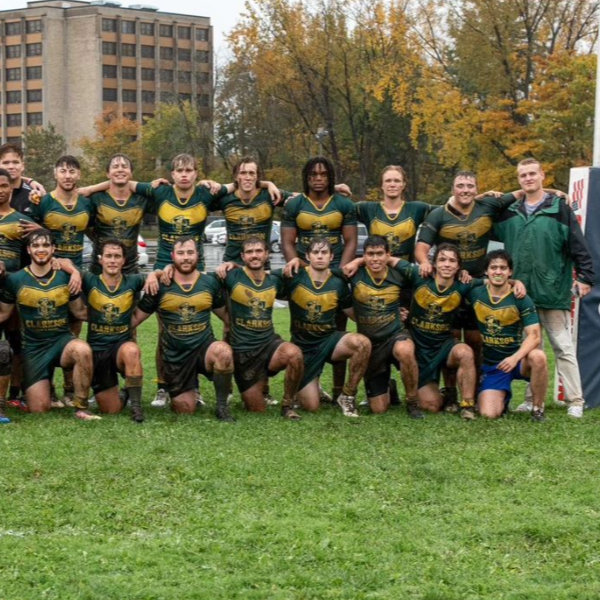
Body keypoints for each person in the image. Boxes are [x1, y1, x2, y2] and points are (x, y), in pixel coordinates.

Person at [493, 158, 595, 418]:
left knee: (562, 347)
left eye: (532, 174)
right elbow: (481, 210)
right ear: (518, 180)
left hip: (551, 291)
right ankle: (530, 399)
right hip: (520, 294)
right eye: (522, 175)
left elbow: (577, 245)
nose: (527, 178)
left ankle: (575, 400)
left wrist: (585, 277)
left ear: (542, 175)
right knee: (531, 349)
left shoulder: (559, 208)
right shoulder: (509, 212)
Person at [133, 236, 235, 422]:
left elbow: (227, 318)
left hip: (204, 349)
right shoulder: (160, 285)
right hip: (176, 356)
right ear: (173, 256)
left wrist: (234, 266)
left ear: (198, 254)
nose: (186, 257)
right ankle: (186, 392)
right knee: (184, 409)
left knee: (223, 352)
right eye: (180, 253)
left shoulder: (210, 282)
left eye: (190, 252)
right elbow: (135, 319)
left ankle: (222, 407)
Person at [0, 230, 99, 420]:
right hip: (33, 348)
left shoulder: (65, 277)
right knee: (39, 409)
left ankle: (81, 407)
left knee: (82, 350)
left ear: (53, 249)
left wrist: (118, 318)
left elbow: (79, 312)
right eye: (36, 246)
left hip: (61, 342)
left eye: (45, 245)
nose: (41, 250)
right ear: (28, 250)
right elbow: (3, 313)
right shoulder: (15, 280)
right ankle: (45, 390)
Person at [281, 156, 358, 402]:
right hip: (306, 272)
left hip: (334, 273)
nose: (318, 178)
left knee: (338, 328)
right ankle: (305, 380)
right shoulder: (295, 205)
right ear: (306, 177)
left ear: (330, 177)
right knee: (305, 326)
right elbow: (287, 241)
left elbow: (351, 241)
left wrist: (341, 270)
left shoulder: (343, 204)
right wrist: (298, 266)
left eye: (323, 174)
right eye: (313, 174)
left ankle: (338, 391)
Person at [282, 237, 371, 417]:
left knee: (362, 343)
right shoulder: (294, 276)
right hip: (303, 347)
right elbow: (262, 280)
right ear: (307, 256)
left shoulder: (338, 282)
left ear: (331, 257)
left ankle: (347, 396)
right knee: (312, 406)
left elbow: (353, 314)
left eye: (324, 253)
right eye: (315, 252)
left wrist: (383, 312)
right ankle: (309, 387)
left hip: (329, 341)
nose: (320, 256)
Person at [220, 237, 304, 420]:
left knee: (294, 354)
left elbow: (312, 271)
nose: (254, 255)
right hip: (244, 351)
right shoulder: (230, 276)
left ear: (266, 254)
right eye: (249, 252)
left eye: (258, 251)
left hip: (269, 344)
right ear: (242, 256)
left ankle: (288, 405)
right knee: (256, 410)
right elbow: (196, 278)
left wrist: (299, 260)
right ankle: (254, 388)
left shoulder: (275, 279)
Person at [80, 239, 158, 422]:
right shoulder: (89, 279)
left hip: (119, 347)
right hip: (97, 351)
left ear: (124, 261)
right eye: (108, 256)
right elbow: (66, 264)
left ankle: (137, 410)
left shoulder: (133, 280)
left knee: (131, 350)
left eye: (117, 256)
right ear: (100, 259)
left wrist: (155, 274)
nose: (113, 260)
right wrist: (73, 273)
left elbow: (161, 276)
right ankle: (125, 394)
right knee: (111, 410)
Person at [345, 235, 421, 417]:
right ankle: (390, 387)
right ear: (364, 256)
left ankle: (412, 401)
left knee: (405, 350)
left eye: (380, 254)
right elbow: (329, 278)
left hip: (394, 335)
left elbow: (422, 280)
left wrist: (408, 313)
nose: (375, 259)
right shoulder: (354, 274)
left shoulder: (399, 274)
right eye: (370, 254)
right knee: (379, 409)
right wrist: (356, 261)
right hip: (371, 345)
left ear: (388, 255)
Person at [467, 250, 547, 421]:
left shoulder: (521, 298)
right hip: (493, 366)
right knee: (488, 414)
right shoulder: (475, 293)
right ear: (486, 272)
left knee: (538, 356)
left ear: (510, 272)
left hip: (518, 361)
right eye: (493, 267)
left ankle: (538, 410)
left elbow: (535, 336)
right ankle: (502, 399)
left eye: (503, 268)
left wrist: (514, 358)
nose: (498, 272)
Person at [0, 168, 39, 420]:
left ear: (11, 189)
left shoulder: (20, 219)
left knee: (16, 343)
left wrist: (40, 229)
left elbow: (41, 249)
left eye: (4, 185)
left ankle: (15, 394)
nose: (0, 190)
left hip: (13, 288)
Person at [85, 154, 155, 274]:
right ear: (108, 174)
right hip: (99, 270)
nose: (120, 169)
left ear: (131, 173)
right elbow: (84, 225)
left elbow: (168, 197)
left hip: (130, 270)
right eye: (115, 166)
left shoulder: (142, 200)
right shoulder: (96, 198)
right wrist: (98, 240)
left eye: (124, 166)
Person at [356, 165, 432, 262]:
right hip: (376, 268)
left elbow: (446, 211)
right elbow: (340, 209)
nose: (392, 185)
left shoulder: (417, 208)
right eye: (388, 181)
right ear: (382, 185)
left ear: (403, 184)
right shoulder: (367, 208)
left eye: (397, 181)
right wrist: (335, 188)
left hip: (406, 272)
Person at [0, 142, 45, 215]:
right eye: (6, 163)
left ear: (23, 166)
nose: (11, 166)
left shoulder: (33, 194)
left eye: (15, 162)